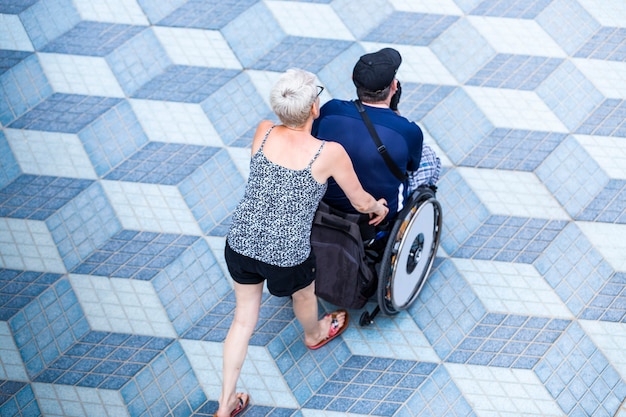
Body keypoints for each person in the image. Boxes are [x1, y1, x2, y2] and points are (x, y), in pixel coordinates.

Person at [214, 68, 389, 417]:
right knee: (304, 295)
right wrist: (377, 207)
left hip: (241, 241)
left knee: (243, 320)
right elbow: (359, 202)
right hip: (288, 254)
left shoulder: (263, 130)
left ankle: (225, 404)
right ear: (314, 109)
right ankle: (314, 333)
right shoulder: (328, 152)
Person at [312, 47, 438, 223]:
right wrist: (394, 110)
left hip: (326, 203)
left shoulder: (330, 110)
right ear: (394, 86)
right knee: (431, 158)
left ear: (353, 80)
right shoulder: (409, 130)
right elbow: (411, 167)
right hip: (379, 212)